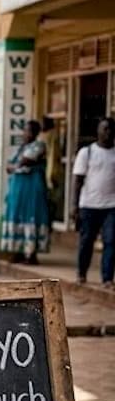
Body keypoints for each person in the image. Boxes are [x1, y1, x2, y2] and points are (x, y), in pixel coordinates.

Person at [1, 120, 51, 264]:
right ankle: (18, 251)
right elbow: (9, 165)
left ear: (35, 133)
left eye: (29, 131)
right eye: (25, 130)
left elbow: (26, 161)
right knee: (17, 215)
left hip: (32, 186)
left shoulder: (39, 145)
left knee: (31, 216)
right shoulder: (21, 147)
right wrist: (15, 166)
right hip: (18, 187)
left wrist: (15, 167)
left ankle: (31, 253)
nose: (26, 134)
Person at [74, 117, 115, 286]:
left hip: (111, 205)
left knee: (111, 241)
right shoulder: (87, 152)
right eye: (104, 129)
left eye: (110, 129)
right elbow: (78, 181)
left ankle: (107, 278)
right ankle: (82, 273)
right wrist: (74, 207)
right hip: (89, 205)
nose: (108, 132)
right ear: (98, 131)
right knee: (86, 241)